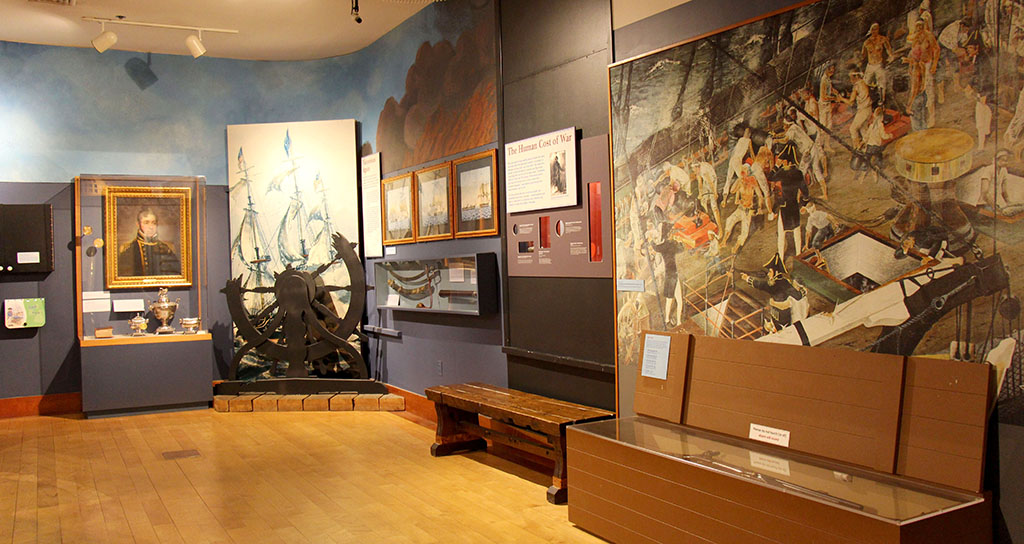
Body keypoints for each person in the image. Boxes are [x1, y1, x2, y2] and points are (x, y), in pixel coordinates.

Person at [118, 209, 180, 276]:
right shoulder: (128, 249)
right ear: (138, 224)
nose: (151, 227)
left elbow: (175, 273)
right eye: (146, 223)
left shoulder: (167, 248)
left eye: (154, 223)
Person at [862, 22, 895, 102]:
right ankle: (866, 99)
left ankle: (881, 100)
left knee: (882, 83)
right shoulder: (867, 42)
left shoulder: (882, 39)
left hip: (879, 65)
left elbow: (889, 50)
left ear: (878, 30)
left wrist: (891, 57)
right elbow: (863, 55)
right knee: (865, 83)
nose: (874, 31)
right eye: (873, 29)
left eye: (876, 29)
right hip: (870, 65)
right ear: (870, 30)